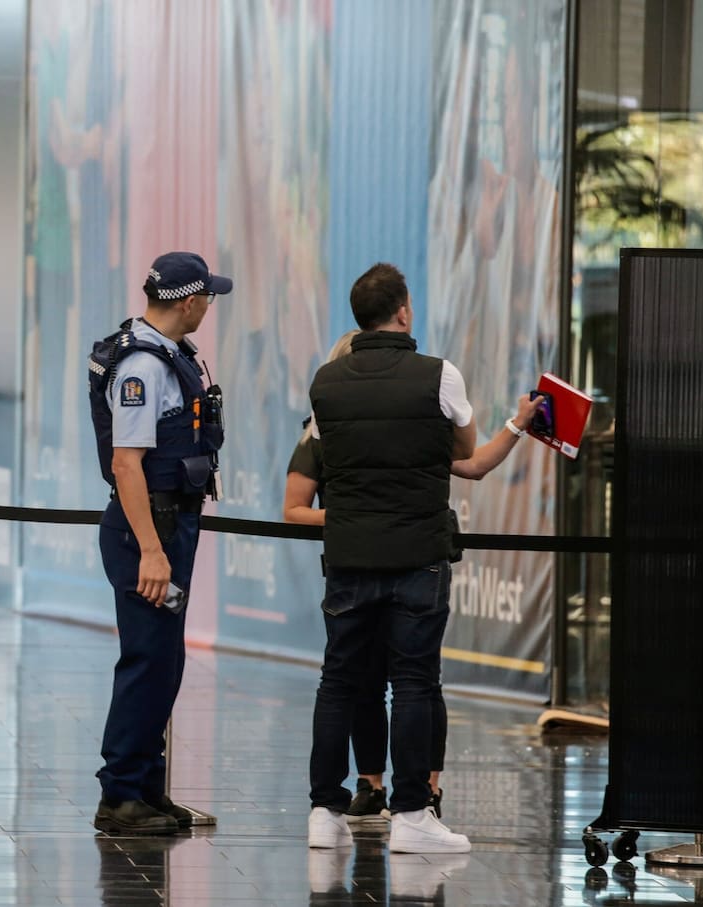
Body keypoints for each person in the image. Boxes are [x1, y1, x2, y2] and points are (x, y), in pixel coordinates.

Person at [286, 329, 543, 827]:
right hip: (407, 560)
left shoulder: (348, 420)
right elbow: (473, 461)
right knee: (404, 682)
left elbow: (472, 463)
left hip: (361, 563)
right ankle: (401, 802)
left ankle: (361, 801)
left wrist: (516, 425)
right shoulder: (396, 418)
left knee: (362, 682)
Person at [304, 262, 476, 854]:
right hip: (417, 555)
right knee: (413, 683)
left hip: (349, 554)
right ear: (403, 310)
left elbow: (326, 452)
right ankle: (411, 815)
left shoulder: (325, 381)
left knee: (338, 681)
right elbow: (465, 448)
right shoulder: (439, 374)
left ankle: (324, 812)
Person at [87, 251, 232, 835]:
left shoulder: (168, 353)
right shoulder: (143, 367)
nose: (209, 307)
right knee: (147, 661)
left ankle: (146, 787)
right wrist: (151, 549)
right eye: (208, 298)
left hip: (167, 526)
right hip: (148, 530)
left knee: (165, 662)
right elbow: (127, 465)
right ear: (190, 302)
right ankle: (120, 794)